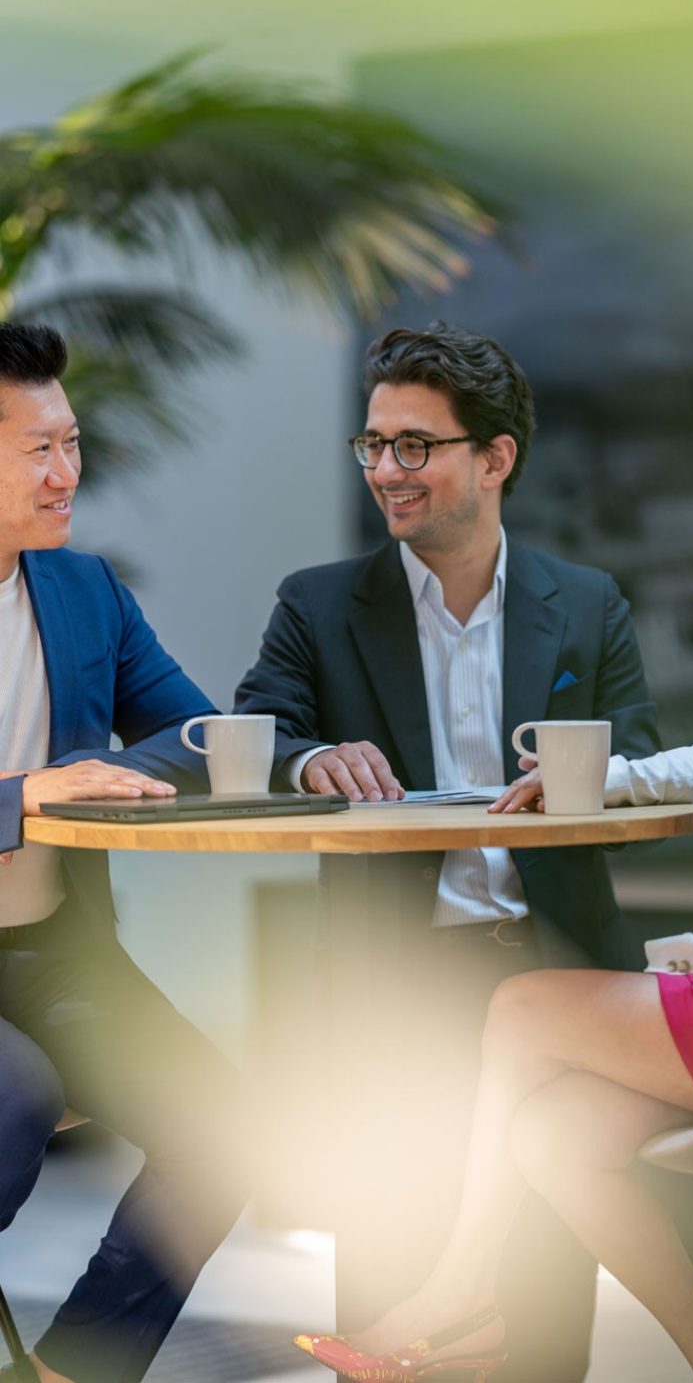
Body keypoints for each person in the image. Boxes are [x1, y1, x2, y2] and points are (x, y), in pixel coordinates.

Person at [292, 423, 693, 1383]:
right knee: (551, 1133)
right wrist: (593, 780)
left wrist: (679, 959)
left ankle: (458, 1295)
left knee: (523, 1006)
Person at [236, 322, 661, 1381]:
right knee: (387, 1297)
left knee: (542, 1307)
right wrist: (311, 758)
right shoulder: (317, 603)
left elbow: (644, 758)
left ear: (494, 458)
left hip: (556, 970)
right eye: (373, 444)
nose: (386, 469)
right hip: (393, 972)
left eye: (414, 445)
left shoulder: (586, 604)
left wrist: (587, 775)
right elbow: (258, 729)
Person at [0, 322, 252, 1383]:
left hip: (51, 954)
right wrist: (23, 795)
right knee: (14, 1102)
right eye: (38, 450)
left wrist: (94, 766)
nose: (67, 473)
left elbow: (192, 733)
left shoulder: (82, 590)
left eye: (72, 443)